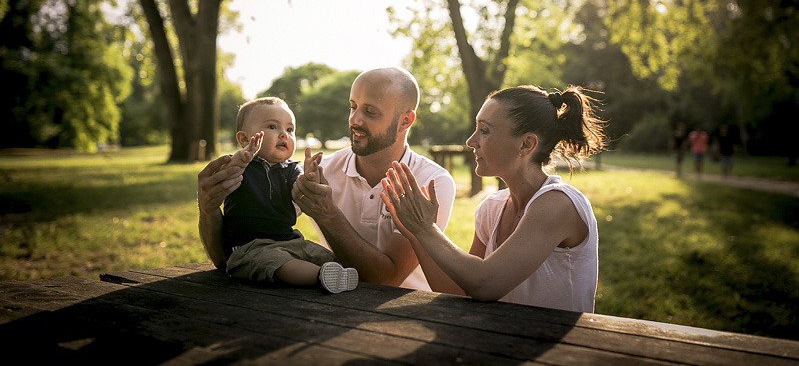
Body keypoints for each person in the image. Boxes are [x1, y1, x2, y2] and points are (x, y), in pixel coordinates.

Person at [198, 67, 457, 291]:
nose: (354, 120)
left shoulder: (431, 182)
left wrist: (327, 213)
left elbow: (386, 281)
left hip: (406, 316)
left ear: (405, 121)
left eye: (370, 112)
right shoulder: (321, 170)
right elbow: (229, 260)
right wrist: (209, 210)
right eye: (353, 107)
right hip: (332, 306)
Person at [381, 85, 607, 313]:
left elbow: (485, 284)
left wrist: (425, 229)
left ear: (526, 144)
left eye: (485, 131)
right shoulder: (491, 208)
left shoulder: (559, 203)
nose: (471, 141)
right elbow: (461, 292)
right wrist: (415, 233)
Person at [212, 97, 358, 293]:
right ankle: (319, 277)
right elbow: (226, 175)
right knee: (278, 263)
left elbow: (301, 194)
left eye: (290, 130)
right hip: (249, 247)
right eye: (272, 127)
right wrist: (241, 158)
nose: (284, 134)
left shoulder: (290, 169)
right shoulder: (241, 166)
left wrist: (310, 178)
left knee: (320, 254)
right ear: (244, 139)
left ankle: (336, 273)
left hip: (289, 240)